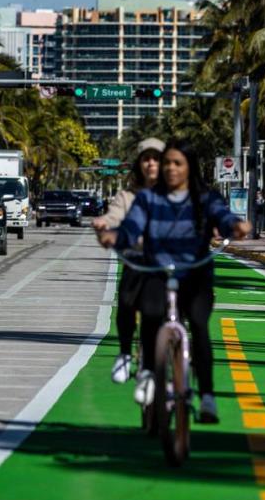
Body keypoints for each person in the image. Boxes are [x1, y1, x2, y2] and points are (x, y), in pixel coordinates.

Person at [98, 142, 251, 423]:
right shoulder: (148, 199)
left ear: (189, 167)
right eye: (166, 162)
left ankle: (207, 396)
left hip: (196, 274)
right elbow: (132, 226)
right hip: (158, 271)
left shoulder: (205, 197)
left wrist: (235, 227)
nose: (169, 168)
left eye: (177, 163)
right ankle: (146, 373)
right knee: (151, 316)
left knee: (199, 325)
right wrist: (115, 237)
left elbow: (223, 216)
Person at [93, 137, 165, 385]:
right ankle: (125, 354)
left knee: (155, 312)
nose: (151, 164)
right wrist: (104, 224)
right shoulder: (127, 196)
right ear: (139, 164)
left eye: (156, 159)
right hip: (137, 261)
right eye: (146, 159)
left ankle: (154, 365)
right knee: (126, 302)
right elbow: (113, 216)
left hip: (167, 263)